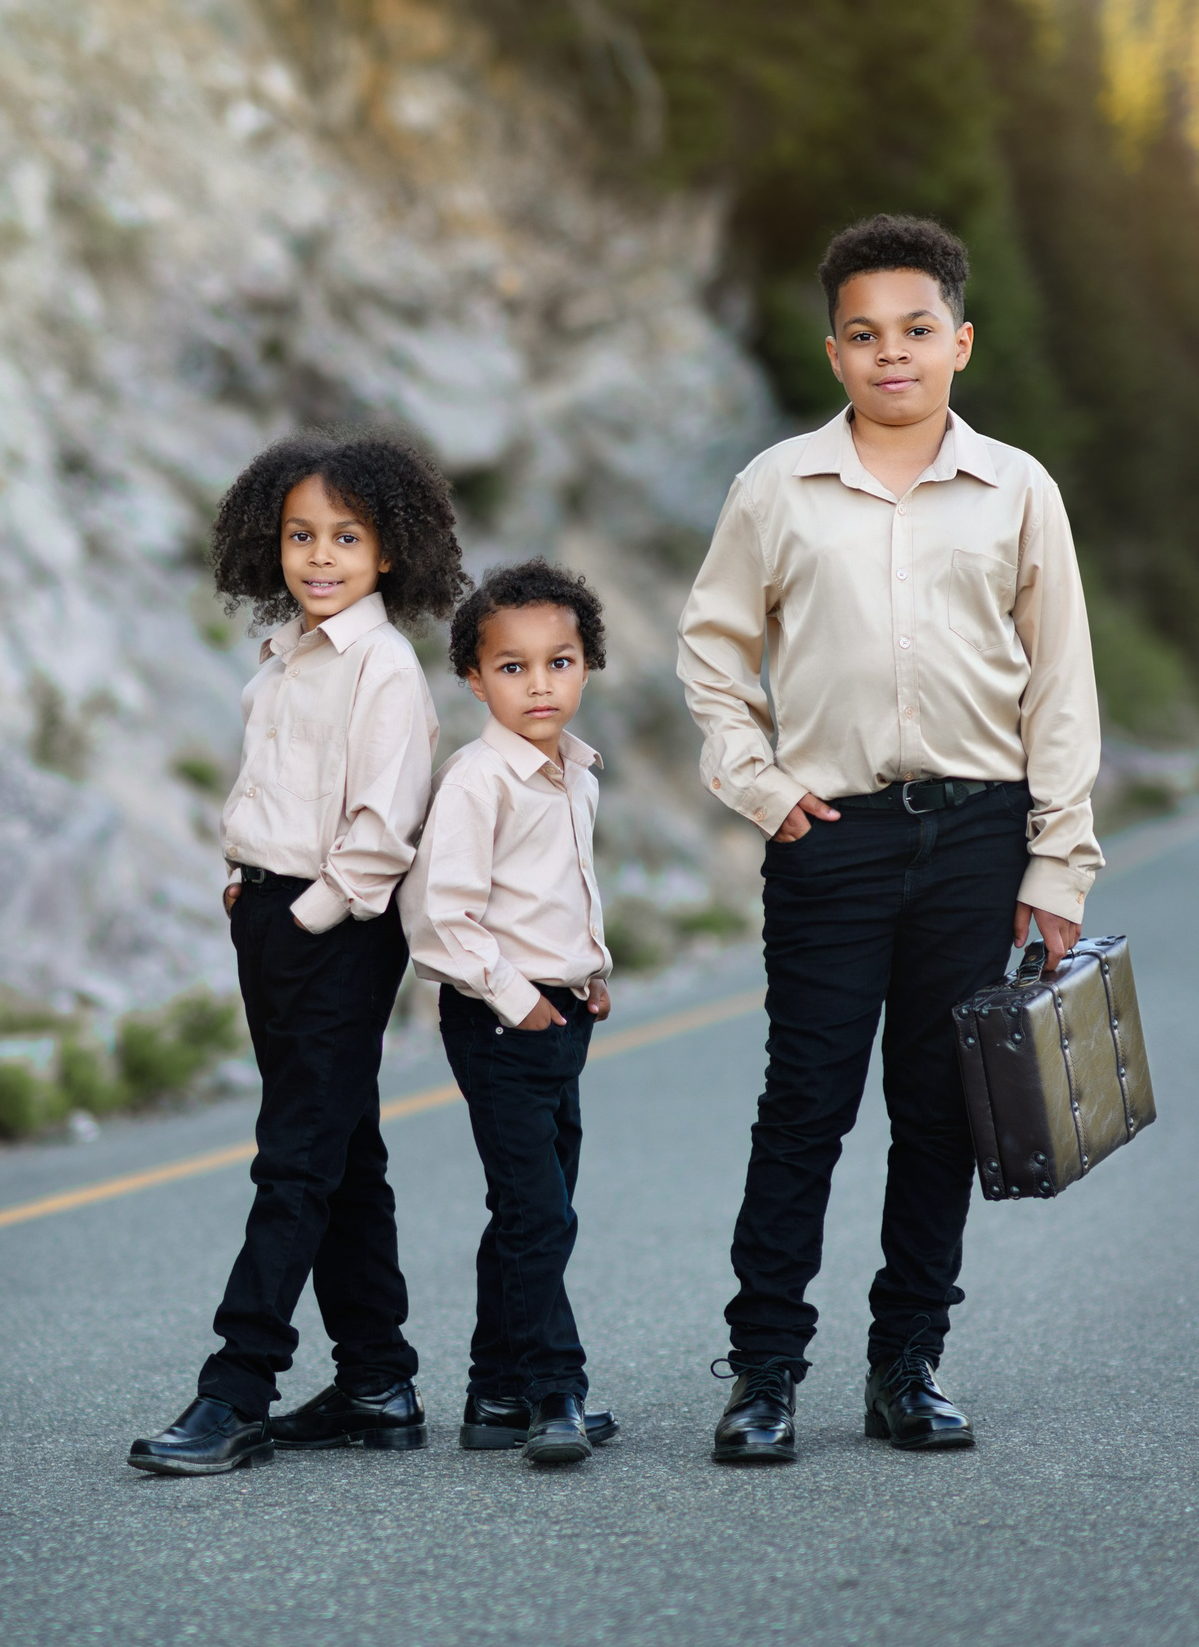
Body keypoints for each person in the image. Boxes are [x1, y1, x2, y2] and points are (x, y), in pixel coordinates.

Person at [676, 213, 1102, 1463]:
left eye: (917, 331)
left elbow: (1060, 687)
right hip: (830, 838)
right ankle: (762, 1375)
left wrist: (1057, 860)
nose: (892, 355)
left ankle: (907, 1365)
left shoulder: (1017, 489)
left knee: (937, 1113)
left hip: (976, 835)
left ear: (959, 342)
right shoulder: (777, 488)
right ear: (834, 353)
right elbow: (711, 648)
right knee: (802, 1106)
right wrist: (757, 785)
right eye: (865, 336)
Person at [127, 433, 468, 1477]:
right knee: (341, 1150)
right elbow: (272, 796)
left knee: (294, 1161)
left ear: (390, 551)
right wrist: (247, 884)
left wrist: (303, 917)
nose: (319, 557)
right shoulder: (284, 659)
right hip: (267, 916)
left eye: (346, 538)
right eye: (300, 536)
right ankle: (376, 1380)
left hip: (332, 933)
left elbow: (379, 834)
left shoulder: (382, 669)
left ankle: (235, 1388)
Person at [399, 560, 622, 1465]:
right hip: (501, 1023)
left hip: (560, 1015)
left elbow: (561, 891)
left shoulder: (578, 774)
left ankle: (493, 1392)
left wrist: (588, 972)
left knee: (534, 1206)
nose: (540, 684)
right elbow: (438, 917)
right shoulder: (476, 781)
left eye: (559, 662)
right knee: (541, 1214)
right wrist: (523, 998)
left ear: (587, 664)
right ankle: (552, 1388)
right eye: (513, 667)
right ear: (474, 677)